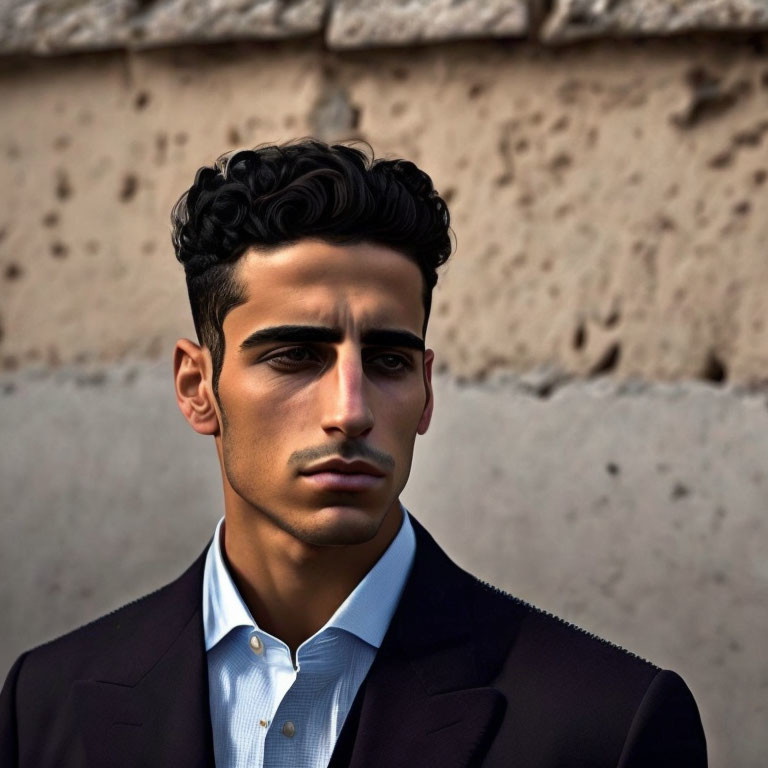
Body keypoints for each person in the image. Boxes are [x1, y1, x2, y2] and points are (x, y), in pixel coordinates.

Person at [0, 140, 707, 767]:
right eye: (295, 356)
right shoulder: (45, 704)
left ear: (427, 392)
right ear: (197, 387)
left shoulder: (608, 726)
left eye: (388, 362)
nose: (350, 410)